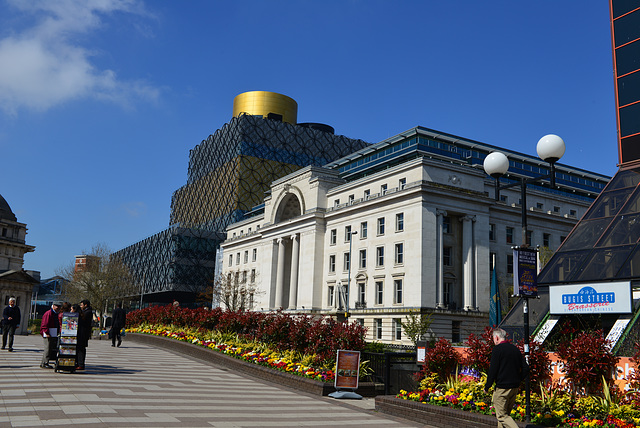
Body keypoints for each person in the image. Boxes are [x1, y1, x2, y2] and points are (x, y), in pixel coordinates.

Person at [484, 328, 529, 428]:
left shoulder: (497, 350)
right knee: (505, 417)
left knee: (502, 416)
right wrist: (518, 379)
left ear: (496, 338)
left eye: (493, 338)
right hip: (514, 388)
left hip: (502, 388)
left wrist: (487, 387)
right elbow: (526, 368)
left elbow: (493, 371)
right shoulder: (515, 349)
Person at [40, 302, 61, 368]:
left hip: (53, 333)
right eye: (56, 306)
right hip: (48, 334)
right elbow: (44, 324)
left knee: (50, 348)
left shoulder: (55, 314)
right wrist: (47, 332)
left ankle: (45, 362)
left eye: (59, 306)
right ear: (53, 306)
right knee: (47, 348)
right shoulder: (49, 313)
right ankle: (44, 363)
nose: (57, 308)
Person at [76, 299, 93, 370]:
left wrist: (78, 312)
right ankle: (79, 363)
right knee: (80, 348)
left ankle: (81, 364)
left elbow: (83, 320)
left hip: (83, 334)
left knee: (81, 349)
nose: (81, 306)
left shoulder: (88, 312)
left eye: (81, 305)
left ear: (85, 305)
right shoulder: (86, 311)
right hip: (82, 333)